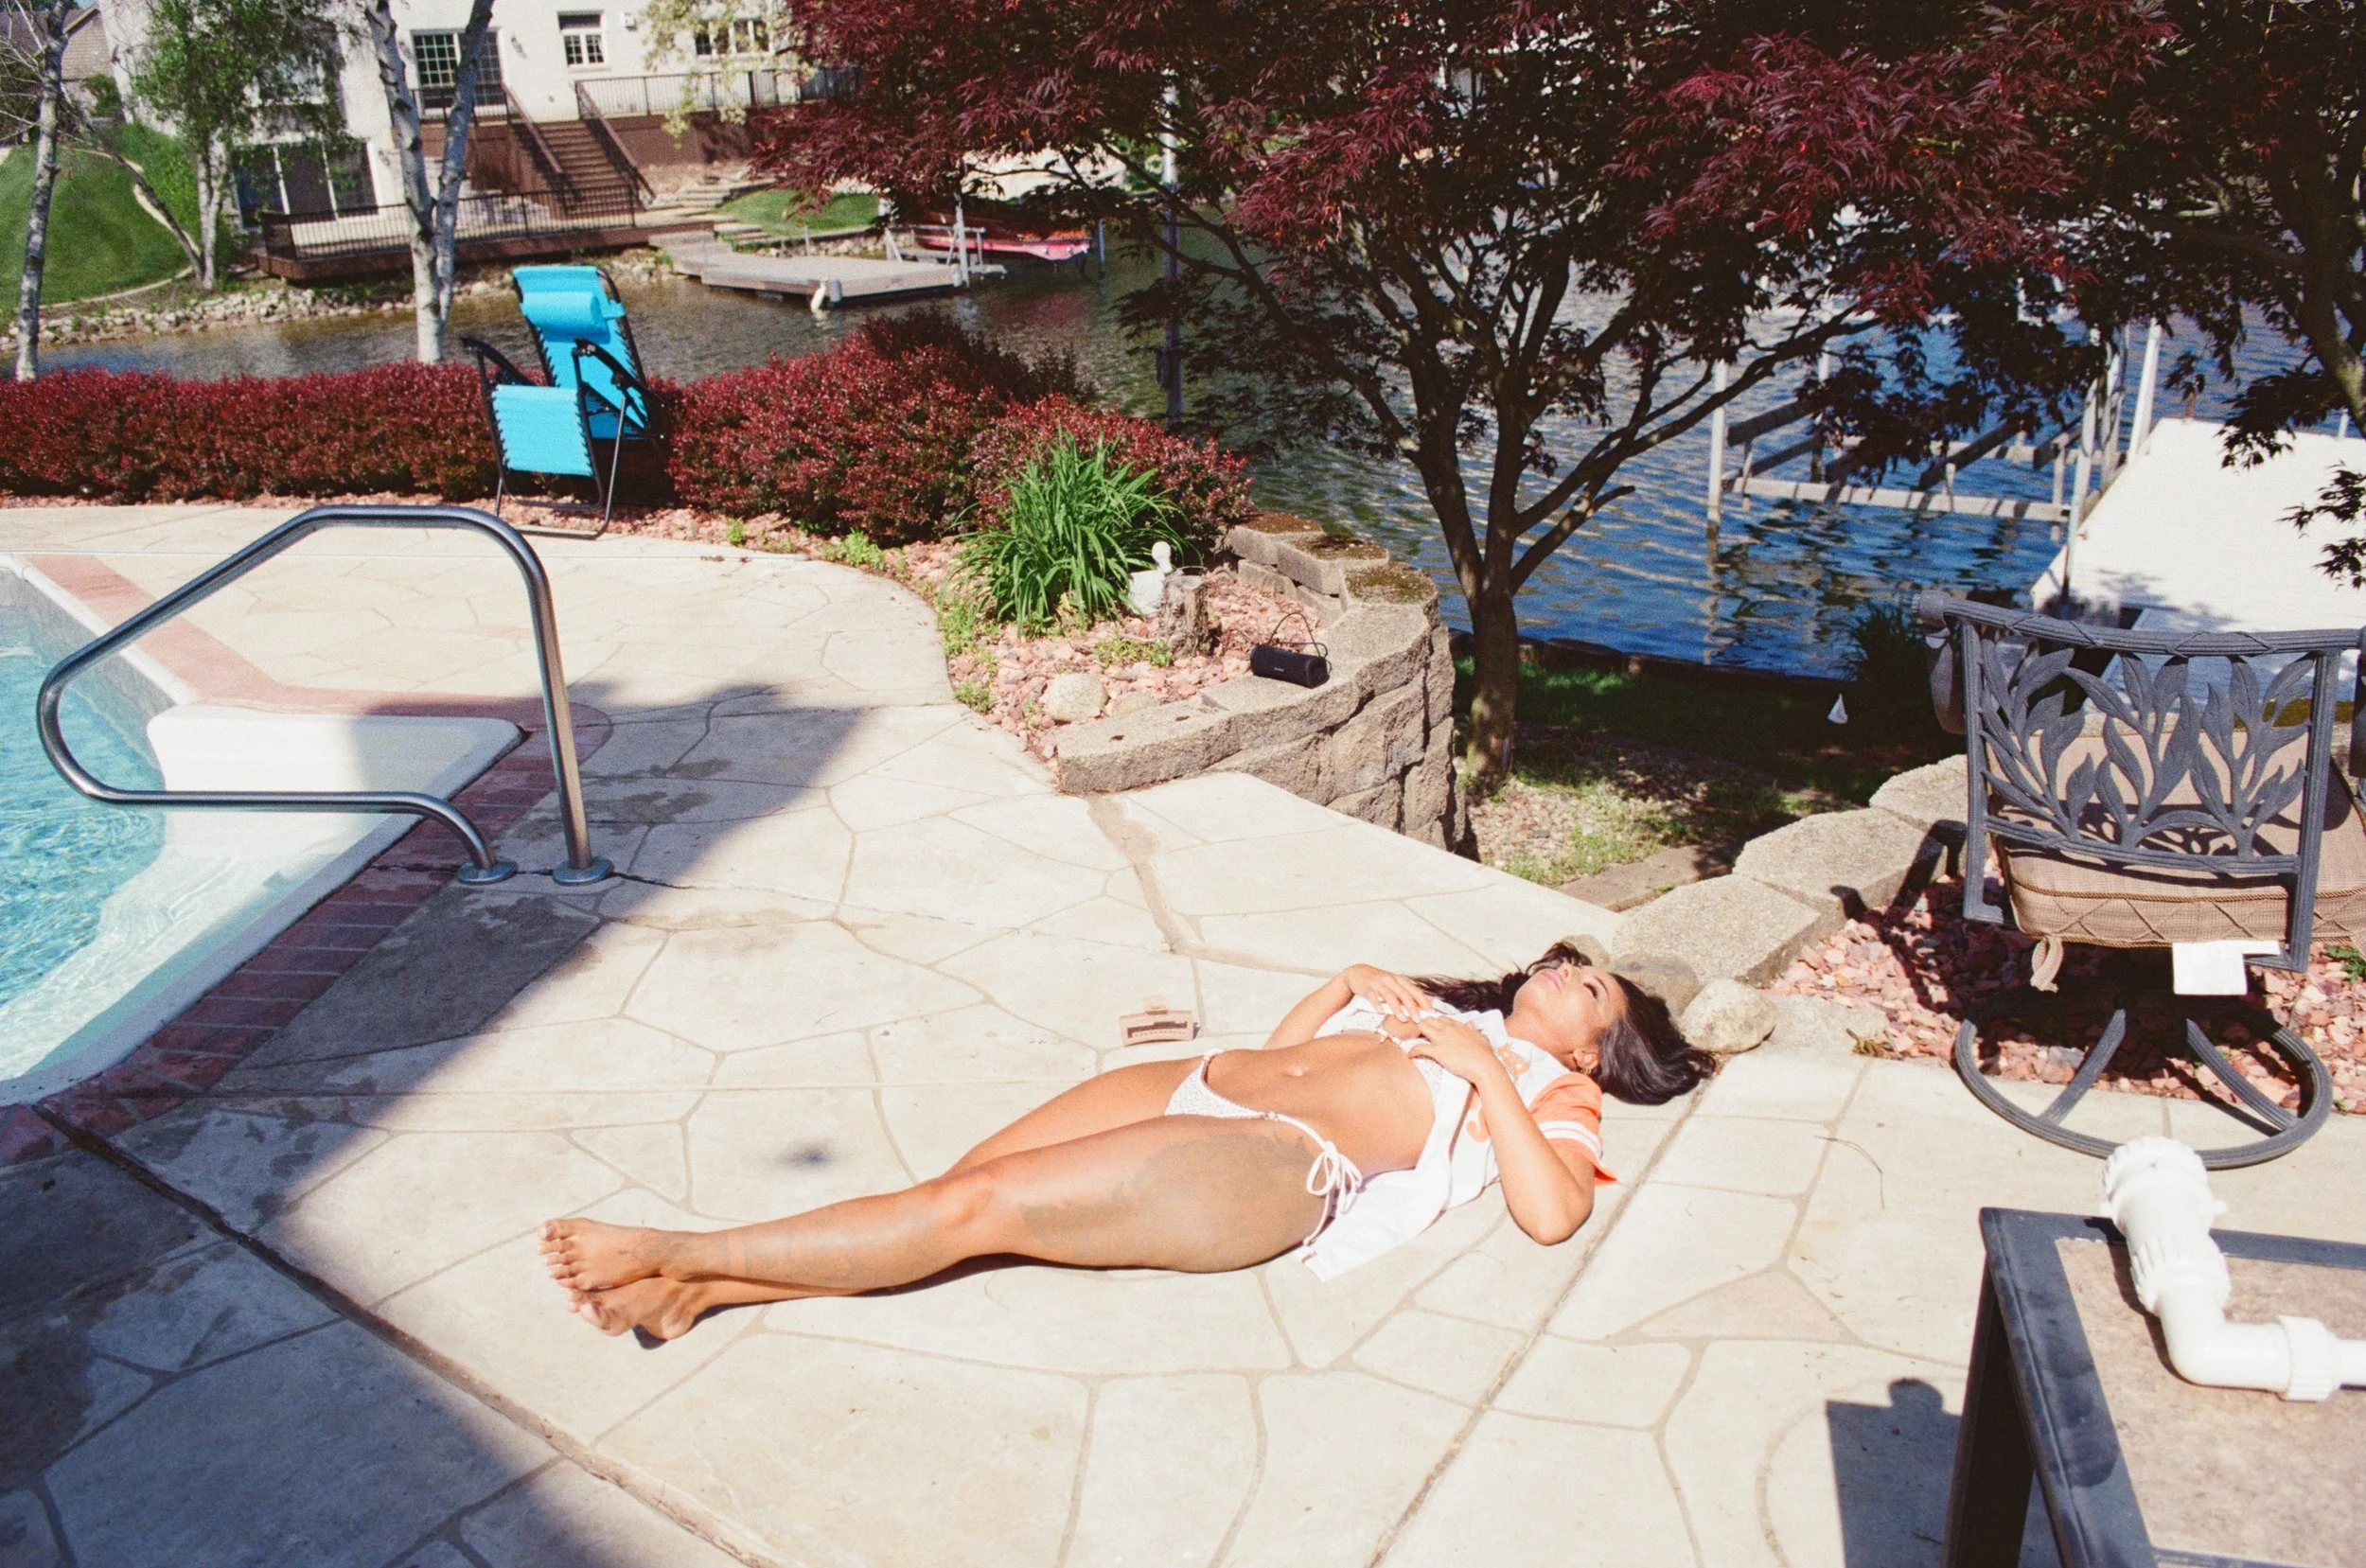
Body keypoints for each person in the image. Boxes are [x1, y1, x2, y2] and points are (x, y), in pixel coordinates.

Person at [541, 942, 1715, 1340]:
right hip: (1194, 1084)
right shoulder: (1447, 1009)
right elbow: (1279, 1046)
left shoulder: (1549, 1091)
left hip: (1271, 1159)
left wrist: (1480, 1077)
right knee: (963, 1191)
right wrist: (1339, 986)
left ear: (1591, 1052)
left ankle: (679, 1245)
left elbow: (1554, 1212)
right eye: (1568, 963)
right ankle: (715, 1293)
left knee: (977, 1213)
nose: (1565, 971)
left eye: (1591, 990)